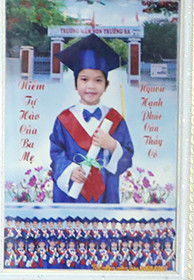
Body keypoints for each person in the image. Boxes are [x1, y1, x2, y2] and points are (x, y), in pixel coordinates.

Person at [49, 34, 134, 204]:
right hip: (72, 193)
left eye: (98, 80)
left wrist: (112, 145)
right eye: (84, 79)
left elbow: (127, 156)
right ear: (75, 84)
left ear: (106, 85)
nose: (91, 86)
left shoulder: (115, 119)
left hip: (106, 193)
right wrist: (70, 171)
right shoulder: (63, 119)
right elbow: (56, 154)